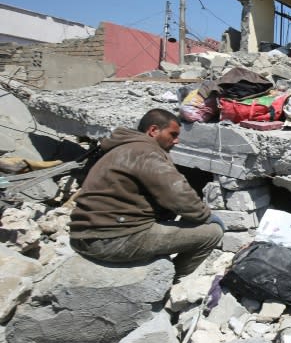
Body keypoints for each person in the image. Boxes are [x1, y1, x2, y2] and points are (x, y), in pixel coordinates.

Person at [69, 108, 225, 281]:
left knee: (171, 213)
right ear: (153, 130)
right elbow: (178, 195)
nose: (177, 141)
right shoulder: (147, 152)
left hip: (84, 235)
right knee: (212, 232)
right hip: (111, 239)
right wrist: (206, 216)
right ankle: (172, 281)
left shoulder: (122, 147)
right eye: (172, 134)